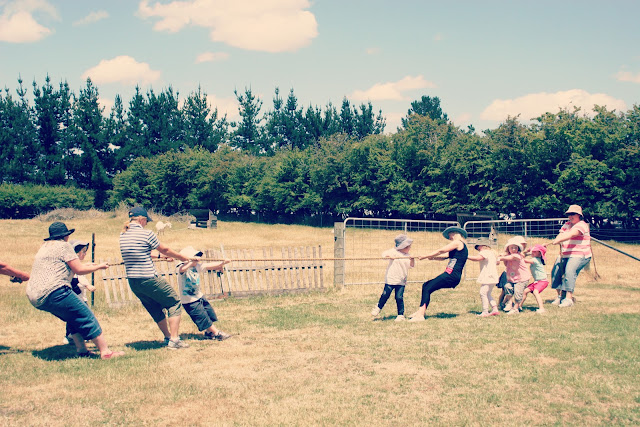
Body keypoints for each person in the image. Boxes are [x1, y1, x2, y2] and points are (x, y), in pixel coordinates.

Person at [26, 222, 123, 359]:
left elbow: (66, 267)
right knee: (87, 316)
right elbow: (79, 269)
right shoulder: (64, 246)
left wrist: (88, 265)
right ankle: (106, 352)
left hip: (36, 295)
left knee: (72, 318)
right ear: (65, 236)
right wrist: (99, 267)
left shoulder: (45, 247)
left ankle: (82, 350)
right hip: (55, 291)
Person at [119, 207, 192, 350]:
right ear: (142, 220)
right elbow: (165, 249)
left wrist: (161, 257)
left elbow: (142, 252)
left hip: (133, 281)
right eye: (146, 221)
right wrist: (181, 257)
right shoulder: (147, 234)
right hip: (148, 277)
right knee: (174, 302)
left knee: (154, 308)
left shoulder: (123, 235)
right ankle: (175, 340)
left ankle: (167, 337)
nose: (147, 224)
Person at [408, 226, 468, 322]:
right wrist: (432, 258)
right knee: (426, 286)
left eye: (450, 235)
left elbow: (441, 251)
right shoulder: (459, 248)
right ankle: (420, 311)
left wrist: (426, 256)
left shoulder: (458, 243)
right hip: (451, 275)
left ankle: (420, 315)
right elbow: (444, 256)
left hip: (451, 275)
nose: (450, 238)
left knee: (427, 287)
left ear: (455, 233)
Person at [176, 246, 232, 340]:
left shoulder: (196, 267)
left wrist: (223, 263)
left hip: (199, 296)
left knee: (208, 313)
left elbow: (208, 265)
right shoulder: (181, 267)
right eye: (195, 256)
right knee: (201, 316)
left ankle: (209, 332)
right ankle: (217, 333)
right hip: (189, 301)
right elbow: (182, 269)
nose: (198, 259)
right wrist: (190, 262)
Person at [545, 204, 592, 308]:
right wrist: (557, 239)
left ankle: (569, 299)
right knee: (555, 272)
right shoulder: (566, 224)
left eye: (573, 214)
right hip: (565, 254)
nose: (570, 216)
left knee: (569, 271)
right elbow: (561, 234)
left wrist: (558, 240)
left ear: (579, 215)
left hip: (580, 254)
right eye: (569, 214)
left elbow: (571, 234)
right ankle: (560, 296)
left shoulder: (582, 225)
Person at [371, 234, 415, 322]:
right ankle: (378, 307)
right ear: (402, 246)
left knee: (399, 297)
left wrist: (412, 260)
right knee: (385, 295)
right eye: (407, 247)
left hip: (401, 280)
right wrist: (389, 256)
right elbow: (383, 255)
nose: (409, 248)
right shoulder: (393, 251)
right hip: (391, 279)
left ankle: (400, 315)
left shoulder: (407, 255)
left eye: (409, 246)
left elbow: (411, 266)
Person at [62, 240, 97, 345]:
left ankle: (81, 336)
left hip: (81, 297)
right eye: (83, 251)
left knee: (80, 318)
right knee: (76, 318)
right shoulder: (74, 267)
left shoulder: (76, 265)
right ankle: (70, 336)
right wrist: (88, 285)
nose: (85, 254)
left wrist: (88, 265)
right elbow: (80, 277)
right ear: (76, 253)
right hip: (75, 298)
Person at [497, 241, 532, 314]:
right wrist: (502, 257)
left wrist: (500, 258)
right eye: (511, 248)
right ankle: (509, 303)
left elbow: (511, 257)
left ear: (518, 249)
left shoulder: (517, 255)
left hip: (522, 278)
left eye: (515, 248)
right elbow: (506, 263)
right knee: (507, 287)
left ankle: (515, 308)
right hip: (512, 278)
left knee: (518, 292)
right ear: (508, 249)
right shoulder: (508, 256)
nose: (513, 249)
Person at [467, 239, 499, 317]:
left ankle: (485, 311)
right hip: (493, 275)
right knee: (488, 293)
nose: (478, 249)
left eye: (478, 246)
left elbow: (478, 258)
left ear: (483, 246)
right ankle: (494, 308)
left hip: (487, 275)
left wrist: (466, 256)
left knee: (483, 293)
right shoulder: (493, 253)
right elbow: (498, 262)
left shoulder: (485, 252)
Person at [520, 244, 549, 313]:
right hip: (537, 281)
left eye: (535, 251)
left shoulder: (535, 260)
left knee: (535, 292)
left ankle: (541, 308)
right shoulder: (535, 259)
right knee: (525, 291)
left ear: (540, 254)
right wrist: (526, 252)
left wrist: (519, 256)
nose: (532, 252)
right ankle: (519, 306)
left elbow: (524, 260)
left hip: (542, 281)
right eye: (533, 251)